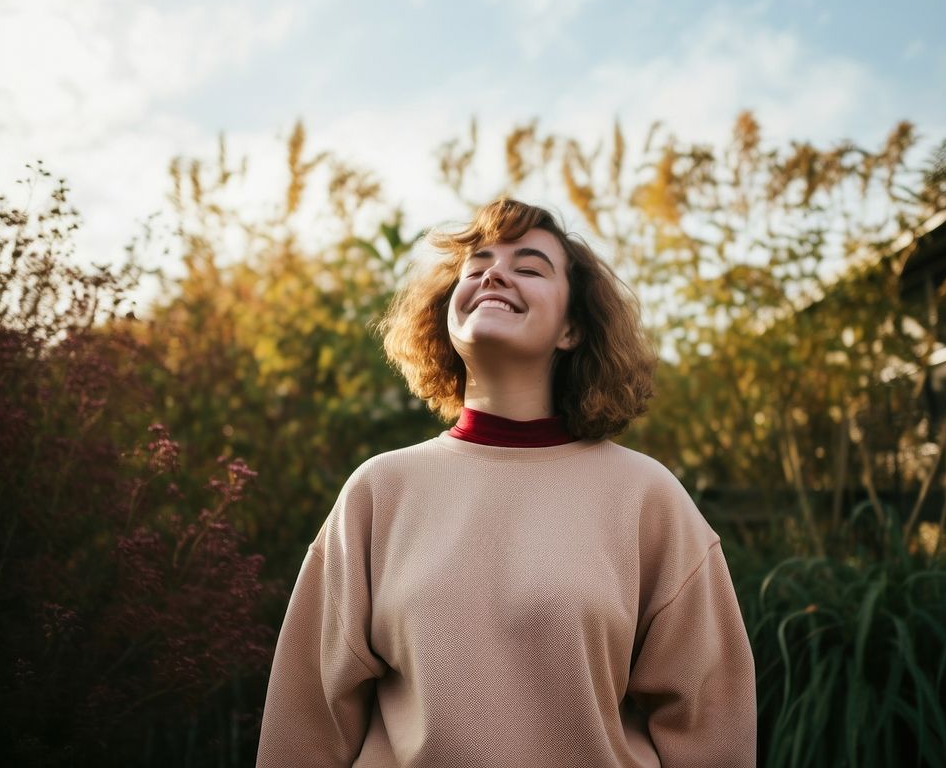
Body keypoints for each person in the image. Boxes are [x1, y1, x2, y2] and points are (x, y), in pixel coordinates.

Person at [256, 197, 756, 768]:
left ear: (571, 329)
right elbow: (307, 718)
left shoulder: (647, 496)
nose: (494, 273)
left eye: (529, 267)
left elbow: (709, 721)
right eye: (477, 266)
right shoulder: (379, 491)